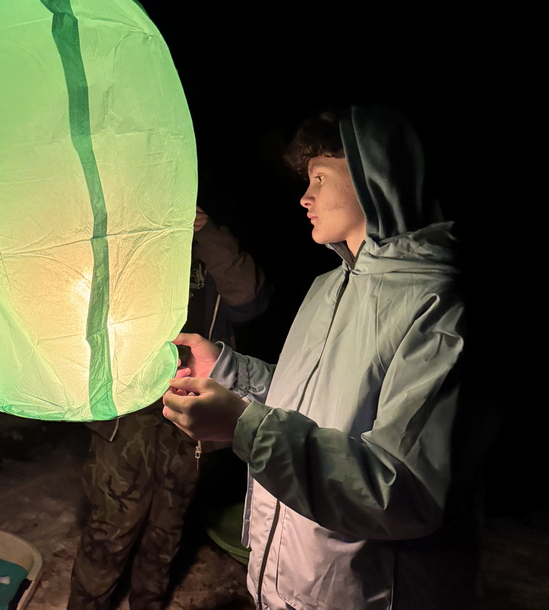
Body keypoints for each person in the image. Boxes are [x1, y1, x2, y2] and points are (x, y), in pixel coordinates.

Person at [163, 106, 475, 609]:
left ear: (376, 180)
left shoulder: (435, 306)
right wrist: (225, 369)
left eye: (321, 178)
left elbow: (403, 493)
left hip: (357, 594)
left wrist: (244, 426)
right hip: (287, 583)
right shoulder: (327, 287)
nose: (304, 198)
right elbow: (307, 402)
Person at [68, 206, 268, 610]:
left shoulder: (210, 246)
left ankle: (149, 603)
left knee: (167, 527)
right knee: (112, 527)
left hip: (191, 409)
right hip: (128, 411)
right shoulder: (127, 239)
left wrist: (206, 232)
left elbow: (249, 299)